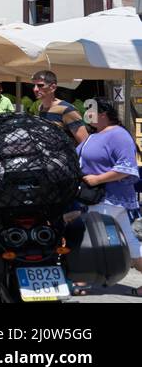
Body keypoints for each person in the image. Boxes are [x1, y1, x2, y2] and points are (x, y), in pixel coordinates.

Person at [76, 98, 141, 296]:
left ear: (102, 114)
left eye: (89, 111)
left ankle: (81, 281)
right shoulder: (94, 135)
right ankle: (81, 279)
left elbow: (126, 167)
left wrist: (97, 179)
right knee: (130, 241)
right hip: (97, 197)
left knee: (89, 237)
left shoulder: (118, 135)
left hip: (108, 197)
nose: (86, 114)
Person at [32, 69, 89, 145]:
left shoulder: (67, 110)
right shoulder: (41, 107)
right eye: (34, 85)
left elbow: (84, 143)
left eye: (40, 85)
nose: (35, 89)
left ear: (53, 87)